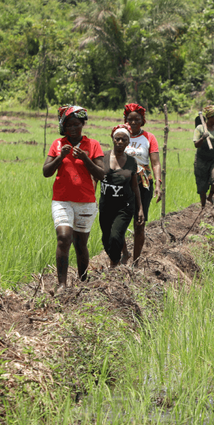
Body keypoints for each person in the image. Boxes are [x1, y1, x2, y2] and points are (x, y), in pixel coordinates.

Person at [43, 105, 105, 293]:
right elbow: (46, 172)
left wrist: (86, 160)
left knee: (80, 244)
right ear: (64, 126)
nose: (73, 129)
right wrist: (60, 157)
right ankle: (62, 284)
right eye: (69, 125)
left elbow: (101, 174)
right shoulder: (57, 144)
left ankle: (83, 281)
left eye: (76, 124)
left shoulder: (93, 145)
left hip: (86, 201)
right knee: (63, 238)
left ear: (83, 124)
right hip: (61, 200)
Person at [120, 103, 162, 263]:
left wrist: (158, 184)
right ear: (126, 120)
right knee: (119, 221)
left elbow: (155, 163)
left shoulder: (149, 138)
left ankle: (136, 261)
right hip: (123, 182)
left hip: (143, 183)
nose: (133, 123)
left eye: (137, 119)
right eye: (130, 120)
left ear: (142, 120)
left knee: (139, 223)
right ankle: (125, 253)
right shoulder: (122, 135)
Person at [99, 125, 144, 268]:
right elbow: (95, 178)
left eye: (123, 140)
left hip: (124, 207)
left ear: (127, 143)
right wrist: (92, 199)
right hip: (105, 205)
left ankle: (114, 265)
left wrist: (140, 208)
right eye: (117, 139)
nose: (119, 142)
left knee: (115, 236)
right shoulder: (103, 157)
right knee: (106, 239)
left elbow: (135, 186)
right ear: (112, 139)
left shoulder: (131, 162)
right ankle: (118, 258)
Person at [193, 105, 214, 207]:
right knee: (202, 185)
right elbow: (196, 145)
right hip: (201, 160)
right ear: (209, 117)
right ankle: (203, 205)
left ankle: (210, 197)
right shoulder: (200, 128)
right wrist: (202, 138)